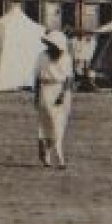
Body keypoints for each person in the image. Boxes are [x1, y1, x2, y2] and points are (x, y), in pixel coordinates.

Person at [36, 30, 74, 169]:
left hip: (61, 91)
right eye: (49, 44)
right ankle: (51, 155)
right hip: (45, 91)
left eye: (53, 45)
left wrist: (62, 95)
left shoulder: (66, 58)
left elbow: (69, 79)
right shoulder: (41, 56)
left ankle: (57, 155)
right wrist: (36, 96)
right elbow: (37, 78)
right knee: (47, 124)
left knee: (59, 125)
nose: (50, 47)